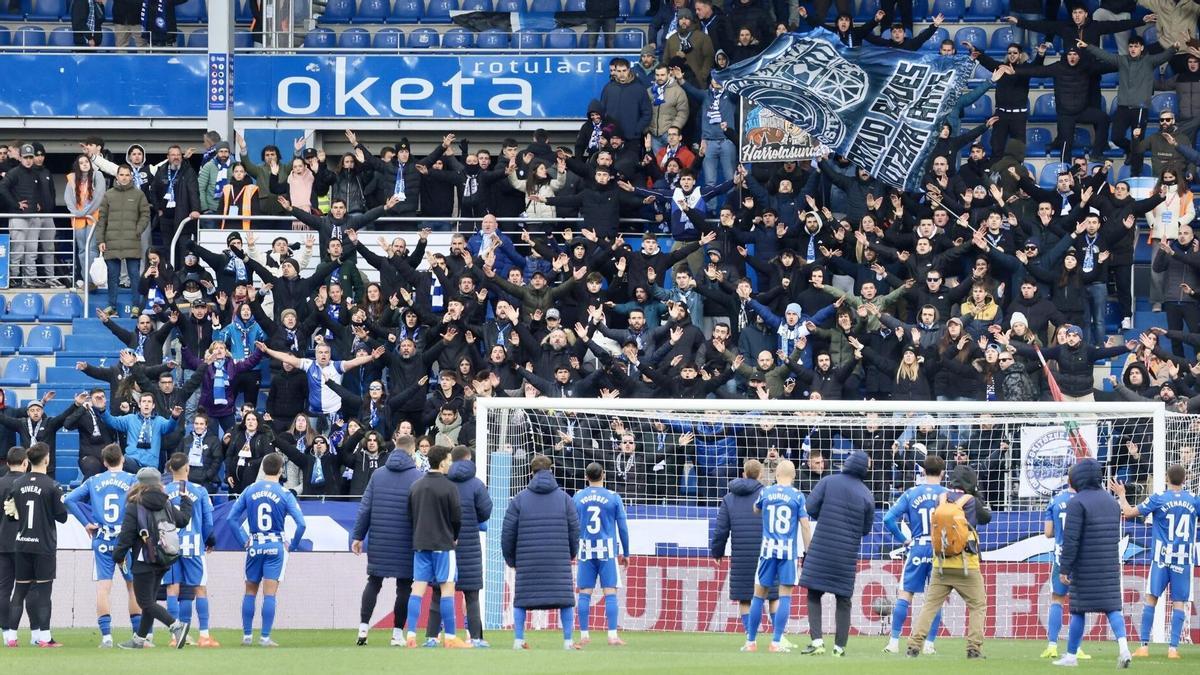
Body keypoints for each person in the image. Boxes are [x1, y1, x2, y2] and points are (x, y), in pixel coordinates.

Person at [1051, 458, 1132, 668]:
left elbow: (1072, 539)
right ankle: (1124, 648)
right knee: (1113, 608)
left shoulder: (1076, 502)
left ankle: (1071, 656)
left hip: (1085, 565)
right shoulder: (1112, 502)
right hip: (1109, 565)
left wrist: (1065, 567)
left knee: (1078, 610)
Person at [1111, 464, 1197, 660]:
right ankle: (1173, 649)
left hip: (1161, 558)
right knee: (1179, 603)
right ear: (1184, 480)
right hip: (1183, 559)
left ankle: (1143, 646)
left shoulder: (1159, 498)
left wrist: (1122, 495)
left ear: (1167, 478)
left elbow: (1130, 513)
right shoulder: (1194, 500)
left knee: (1151, 599)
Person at [905, 464, 990, 660]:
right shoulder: (971, 501)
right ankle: (973, 648)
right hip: (966, 565)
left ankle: (914, 645)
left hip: (941, 563)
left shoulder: (940, 499)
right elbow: (986, 518)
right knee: (977, 605)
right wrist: (978, 495)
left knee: (930, 605)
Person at [63, 444, 141, 648]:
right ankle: (137, 635)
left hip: (103, 540)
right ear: (122, 459)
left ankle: (106, 637)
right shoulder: (132, 480)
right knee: (132, 587)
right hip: (125, 540)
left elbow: (69, 499)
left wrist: (86, 522)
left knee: (103, 587)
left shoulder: (94, 480)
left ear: (104, 462)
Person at [797, 450, 874, 656]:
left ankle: (817, 641)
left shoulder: (828, 481)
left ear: (847, 464)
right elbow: (866, 530)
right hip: (846, 554)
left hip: (821, 548)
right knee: (844, 599)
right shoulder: (867, 494)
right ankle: (839, 648)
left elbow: (809, 507)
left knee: (814, 593)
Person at [226, 452, 307, 647]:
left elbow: (231, 519)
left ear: (263, 467)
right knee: (270, 594)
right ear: (281, 470)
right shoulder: (285, 493)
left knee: (250, 590)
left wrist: (243, 540)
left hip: (255, 544)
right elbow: (301, 524)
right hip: (275, 545)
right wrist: (293, 545)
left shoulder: (250, 490)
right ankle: (264, 637)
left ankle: (246, 636)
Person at [502, 454, 581, 651]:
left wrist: (511, 559)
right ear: (551, 470)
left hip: (527, 559)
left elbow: (507, 533)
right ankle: (568, 641)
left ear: (531, 472)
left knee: (521, 599)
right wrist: (571, 553)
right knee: (565, 600)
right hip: (557, 559)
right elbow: (574, 531)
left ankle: (519, 640)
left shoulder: (518, 500)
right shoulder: (565, 499)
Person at [109, 466, 193, 650]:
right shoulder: (167, 503)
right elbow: (183, 520)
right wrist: (186, 499)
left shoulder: (134, 505)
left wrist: (117, 555)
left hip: (143, 560)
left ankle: (176, 626)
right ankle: (140, 639)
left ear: (139, 484)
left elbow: (127, 536)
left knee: (144, 602)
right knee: (150, 601)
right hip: (164, 558)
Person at [350, 437, 421, 647]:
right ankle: (397, 634)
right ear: (412, 450)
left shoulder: (378, 474)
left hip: (380, 538)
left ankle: (363, 629)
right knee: (405, 587)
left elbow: (365, 507)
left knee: (374, 581)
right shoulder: (418, 477)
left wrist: (358, 536)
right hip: (406, 541)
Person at [425, 445, 493, 648]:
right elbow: (486, 512)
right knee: (471, 595)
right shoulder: (476, 485)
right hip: (470, 544)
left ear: (451, 460)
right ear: (469, 458)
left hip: (443, 543)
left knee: (438, 592)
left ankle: (432, 637)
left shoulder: (442, 482)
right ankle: (476, 638)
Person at [402, 445, 468, 648]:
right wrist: (454, 536)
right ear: (441, 463)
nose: (450, 463)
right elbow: (457, 518)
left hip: (421, 544)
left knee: (417, 589)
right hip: (443, 544)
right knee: (447, 589)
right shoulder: (449, 487)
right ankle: (450, 638)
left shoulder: (416, 486)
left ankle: (411, 635)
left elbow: (410, 516)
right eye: (448, 460)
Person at [2, 443, 67, 647]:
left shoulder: (17, 484)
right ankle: (44, 637)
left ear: (28, 461)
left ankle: (11, 636)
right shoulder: (52, 485)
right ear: (46, 459)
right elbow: (62, 517)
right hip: (43, 545)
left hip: (21, 543)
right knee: (43, 592)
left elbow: (10, 514)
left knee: (18, 591)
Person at [881, 454, 947, 655]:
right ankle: (929, 644)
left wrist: (903, 539)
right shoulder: (947, 494)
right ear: (943, 473)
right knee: (934, 598)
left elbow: (888, 518)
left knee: (905, 594)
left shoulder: (911, 493)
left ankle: (893, 642)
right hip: (939, 550)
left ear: (923, 472)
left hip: (917, 547)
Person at [745, 459, 812, 653]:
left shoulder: (766, 492)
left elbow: (756, 509)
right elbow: (805, 526)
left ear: (775, 475)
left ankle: (750, 642)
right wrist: (808, 551)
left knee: (758, 595)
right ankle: (776, 642)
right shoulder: (798, 496)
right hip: (787, 552)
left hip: (767, 551)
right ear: (794, 476)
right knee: (785, 596)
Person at [710, 459, 776, 642]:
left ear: (743, 474)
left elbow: (721, 529)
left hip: (742, 555)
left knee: (745, 597)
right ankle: (778, 636)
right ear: (761, 474)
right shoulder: (769, 495)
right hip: (767, 552)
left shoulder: (729, 498)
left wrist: (717, 552)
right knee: (773, 595)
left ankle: (750, 634)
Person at [163, 453, 218, 648]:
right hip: (193, 544)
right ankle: (204, 636)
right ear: (187, 468)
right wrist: (208, 540)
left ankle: (175, 636)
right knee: (199, 588)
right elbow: (208, 521)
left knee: (173, 588)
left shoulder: (163, 490)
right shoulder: (200, 491)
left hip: (169, 545)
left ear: (170, 469)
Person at [572, 462, 630, 647]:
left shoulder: (578, 497)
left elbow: (572, 526)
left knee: (584, 593)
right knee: (610, 592)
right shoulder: (613, 497)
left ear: (586, 477)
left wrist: (573, 548)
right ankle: (612, 636)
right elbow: (622, 527)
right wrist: (626, 552)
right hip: (607, 551)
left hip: (586, 549)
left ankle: (584, 635)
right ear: (603, 475)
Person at [1040, 484, 1091, 660]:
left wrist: (1061, 534)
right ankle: (1076, 648)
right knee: (1078, 603)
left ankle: (1052, 646)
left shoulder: (1056, 500)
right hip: (1080, 556)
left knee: (1057, 599)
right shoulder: (1085, 500)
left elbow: (1047, 533)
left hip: (1060, 556)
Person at [95, 164, 151, 314]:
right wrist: (100, 240)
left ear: (131, 176)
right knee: (113, 277)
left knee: (134, 276)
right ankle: (111, 307)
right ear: (117, 177)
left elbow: (145, 214)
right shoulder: (109, 194)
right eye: (122, 175)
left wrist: (137, 230)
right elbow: (102, 219)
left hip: (132, 241)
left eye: (127, 175)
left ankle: (136, 306)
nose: (124, 177)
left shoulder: (139, 194)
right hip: (112, 242)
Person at [100, 392, 182, 470]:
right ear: (139, 404)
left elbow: (170, 427)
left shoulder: (159, 421)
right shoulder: (130, 419)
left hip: (150, 465)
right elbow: (112, 421)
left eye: (149, 402)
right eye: (144, 401)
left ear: (153, 405)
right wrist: (102, 410)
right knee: (119, 461)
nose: (146, 404)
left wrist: (174, 417)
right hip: (131, 461)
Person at [0, 447, 28, 647]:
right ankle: (39, 633)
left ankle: (6, 632)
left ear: (7, 463)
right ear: (25, 462)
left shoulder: (0, 483)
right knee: (34, 588)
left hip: (2, 543)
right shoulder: (28, 484)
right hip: (27, 543)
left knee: (3, 589)